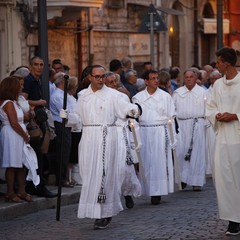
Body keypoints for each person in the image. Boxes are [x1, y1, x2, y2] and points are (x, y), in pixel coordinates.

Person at [61, 65, 140, 230]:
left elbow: (125, 109)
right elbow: (78, 117)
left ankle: (106, 212)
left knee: (105, 174)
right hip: (89, 138)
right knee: (90, 175)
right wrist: (68, 116)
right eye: (97, 76)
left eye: (102, 76)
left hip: (107, 137)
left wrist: (133, 110)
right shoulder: (82, 96)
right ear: (90, 77)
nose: (100, 79)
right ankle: (95, 210)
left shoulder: (114, 95)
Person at [206, 47, 240, 236]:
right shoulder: (217, 85)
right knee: (224, 180)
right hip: (222, 138)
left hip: (238, 135)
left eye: (218, 61)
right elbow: (209, 106)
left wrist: (235, 115)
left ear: (227, 63)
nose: (216, 64)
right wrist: (216, 115)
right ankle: (233, 219)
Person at [132, 70, 176, 205]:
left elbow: (171, 117)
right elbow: (134, 118)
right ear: (146, 81)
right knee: (147, 161)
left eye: (157, 78)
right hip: (144, 131)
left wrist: (173, 137)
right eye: (152, 79)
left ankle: (158, 192)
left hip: (160, 131)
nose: (156, 81)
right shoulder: (137, 97)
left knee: (159, 161)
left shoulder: (165, 96)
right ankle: (148, 189)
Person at [105, 71, 142, 209]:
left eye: (115, 81)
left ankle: (127, 193)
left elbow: (131, 118)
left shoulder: (122, 97)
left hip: (122, 135)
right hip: (106, 136)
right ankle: (111, 197)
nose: (114, 84)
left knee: (125, 169)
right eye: (111, 82)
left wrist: (135, 140)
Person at [22, 56, 57, 198]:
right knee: (36, 155)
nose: (39, 67)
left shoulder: (37, 81)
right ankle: (37, 186)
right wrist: (39, 102)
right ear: (30, 66)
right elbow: (23, 99)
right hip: (32, 123)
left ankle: (35, 186)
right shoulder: (29, 80)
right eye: (36, 64)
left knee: (40, 155)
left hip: (38, 120)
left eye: (41, 65)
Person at [173, 69, 207, 191]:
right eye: (186, 77)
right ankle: (183, 178)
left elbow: (208, 110)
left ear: (196, 77)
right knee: (181, 152)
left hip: (197, 125)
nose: (188, 79)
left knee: (197, 153)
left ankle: (196, 181)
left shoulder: (203, 92)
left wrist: (205, 124)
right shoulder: (177, 93)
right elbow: (173, 110)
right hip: (182, 125)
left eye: (191, 77)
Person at [0, 76, 32, 203]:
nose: (22, 87)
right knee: (12, 163)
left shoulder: (14, 102)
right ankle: (10, 192)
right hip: (11, 134)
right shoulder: (8, 103)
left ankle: (22, 191)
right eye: (19, 85)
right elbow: (14, 123)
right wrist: (25, 136)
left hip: (18, 133)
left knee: (21, 163)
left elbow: (21, 119)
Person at [50, 72, 73, 188]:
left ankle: (63, 177)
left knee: (65, 151)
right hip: (60, 125)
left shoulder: (62, 94)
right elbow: (66, 111)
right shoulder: (58, 95)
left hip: (65, 125)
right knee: (62, 152)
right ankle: (61, 179)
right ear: (62, 81)